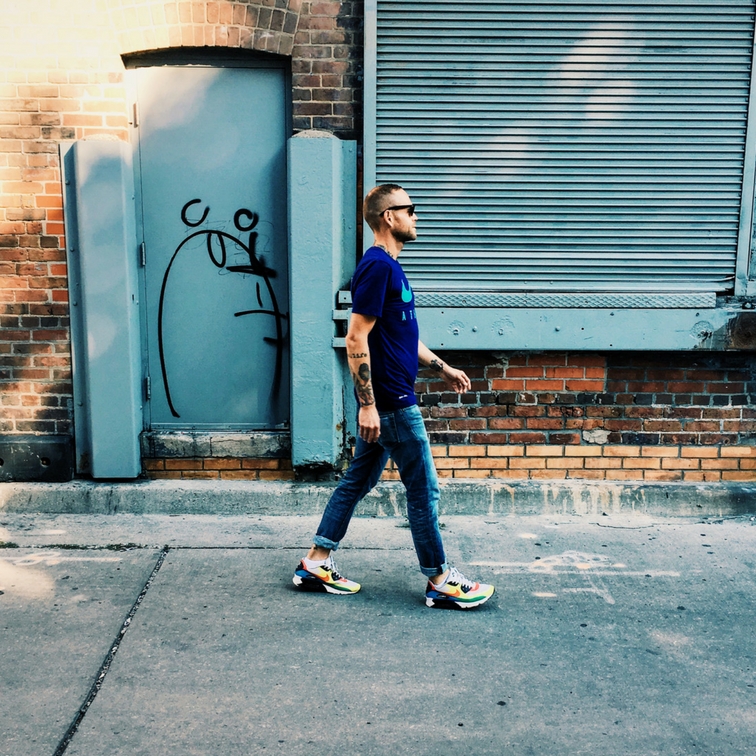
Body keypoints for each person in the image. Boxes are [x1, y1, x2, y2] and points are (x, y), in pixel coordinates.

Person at [292, 184, 495, 609]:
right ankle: (439, 580)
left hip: (387, 402)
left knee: (356, 481)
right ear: (389, 217)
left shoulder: (391, 269)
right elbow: (355, 337)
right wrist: (369, 405)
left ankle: (316, 561)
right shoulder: (378, 268)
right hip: (392, 404)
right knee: (423, 491)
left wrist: (442, 367)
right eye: (411, 209)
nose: (416, 217)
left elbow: (401, 336)